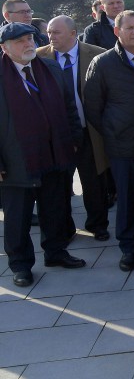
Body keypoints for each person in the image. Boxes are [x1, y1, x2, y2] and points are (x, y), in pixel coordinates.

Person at [0, 23, 84, 287]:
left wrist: (72, 142)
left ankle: (56, 252)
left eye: (29, 38)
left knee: (55, 209)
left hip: (54, 154)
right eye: (20, 41)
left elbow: (69, 108)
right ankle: (21, 265)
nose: (28, 44)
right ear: (4, 47)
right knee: (18, 217)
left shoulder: (50, 68)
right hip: (16, 161)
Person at [84, 10, 134, 272]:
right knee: (128, 198)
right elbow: (93, 107)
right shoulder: (103, 63)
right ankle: (128, 247)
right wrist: (112, 129)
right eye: (129, 28)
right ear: (117, 32)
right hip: (122, 144)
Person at [37, 15, 110, 241]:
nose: (50, 37)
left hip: (89, 130)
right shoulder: (39, 57)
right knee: (60, 185)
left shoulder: (97, 54)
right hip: (57, 134)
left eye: (56, 32)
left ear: (72, 33)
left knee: (94, 182)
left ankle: (97, 225)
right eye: (49, 32)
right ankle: (64, 229)